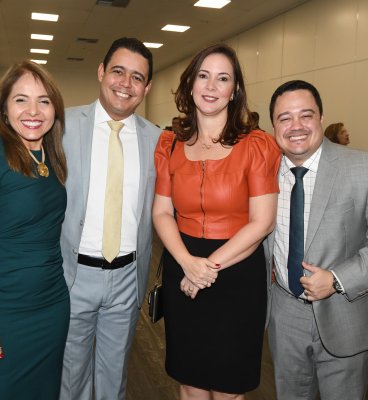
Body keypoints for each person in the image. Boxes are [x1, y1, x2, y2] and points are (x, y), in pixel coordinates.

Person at [153, 43, 281, 400]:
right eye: (203, 76)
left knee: (229, 387)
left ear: (234, 90)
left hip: (236, 272)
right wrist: (187, 264)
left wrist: (206, 268)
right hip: (183, 264)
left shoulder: (257, 145)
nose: (211, 87)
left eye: (222, 78)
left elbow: (262, 222)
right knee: (189, 380)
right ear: (190, 83)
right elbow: (162, 212)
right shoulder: (170, 145)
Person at [59, 37, 161, 400]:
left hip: (127, 279)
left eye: (137, 77)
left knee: (113, 378)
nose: (125, 83)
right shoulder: (63, 126)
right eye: (118, 71)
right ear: (101, 72)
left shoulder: (158, 141)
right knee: (70, 379)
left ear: (146, 88)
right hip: (73, 277)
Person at [0, 60, 69, 399]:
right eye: (20, 99)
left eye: (44, 100)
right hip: (1, 315)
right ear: (3, 108)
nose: (33, 110)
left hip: (51, 308)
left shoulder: (50, 158)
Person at [266, 80, 368, 400]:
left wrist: (337, 279)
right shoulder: (263, 173)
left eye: (306, 115)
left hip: (345, 314)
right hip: (284, 315)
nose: (295, 126)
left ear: (322, 118)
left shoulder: (361, 167)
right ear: (274, 126)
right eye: (285, 118)